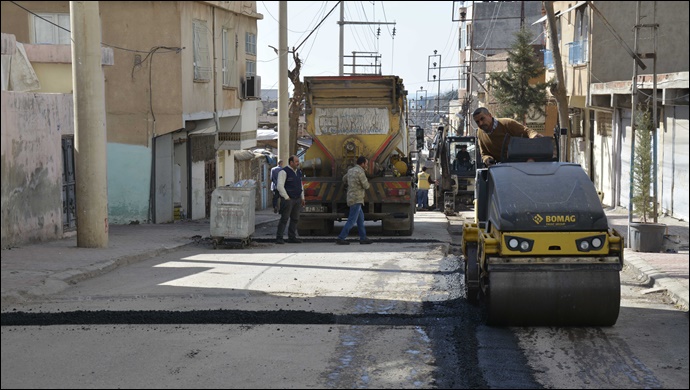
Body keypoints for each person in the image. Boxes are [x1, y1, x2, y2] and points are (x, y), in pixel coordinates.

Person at [472, 107, 543, 166]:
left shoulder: (507, 124)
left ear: (490, 116)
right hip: (501, 168)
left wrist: (534, 137)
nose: (480, 123)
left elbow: (527, 131)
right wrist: (488, 159)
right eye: (477, 122)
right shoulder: (480, 132)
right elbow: (484, 153)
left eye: (482, 119)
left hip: (520, 164)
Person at [336, 156, 373, 245]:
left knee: (360, 219)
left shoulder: (350, 171)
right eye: (366, 164)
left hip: (351, 198)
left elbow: (344, 179)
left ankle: (363, 238)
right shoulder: (360, 172)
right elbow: (366, 186)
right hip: (357, 199)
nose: (367, 165)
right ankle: (341, 238)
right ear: (362, 164)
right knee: (352, 220)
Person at [275, 155, 305, 244]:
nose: (298, 163)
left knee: (295, 219)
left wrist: (302, 197)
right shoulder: (284, 172)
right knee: (284, 219)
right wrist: (286, 197)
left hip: (297, 199)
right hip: (288, 200)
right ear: (291, 162)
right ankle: (279, 238)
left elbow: (301, 185)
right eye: (296, 161)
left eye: (298, 161)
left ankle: (292, 237)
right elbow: (279, 186)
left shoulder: (298, 172)